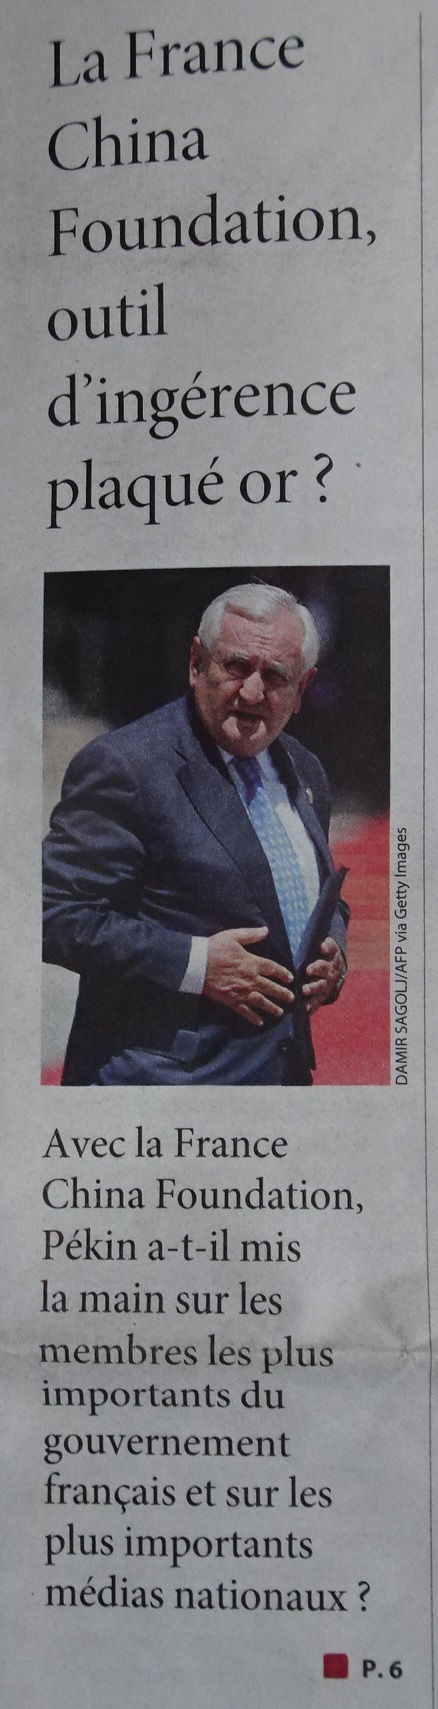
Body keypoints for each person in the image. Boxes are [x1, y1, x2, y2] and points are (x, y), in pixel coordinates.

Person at [43, 582, 348, 1085]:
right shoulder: (126, 766)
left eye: (275, 675)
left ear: (302, 689)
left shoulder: (304, 768)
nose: (252, 692)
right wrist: (196, 964)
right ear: (196, 663)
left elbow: (314, 892)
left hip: (278, 1081)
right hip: (159, 1093)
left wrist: (334, 946)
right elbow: (51, 914)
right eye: (236, 666)